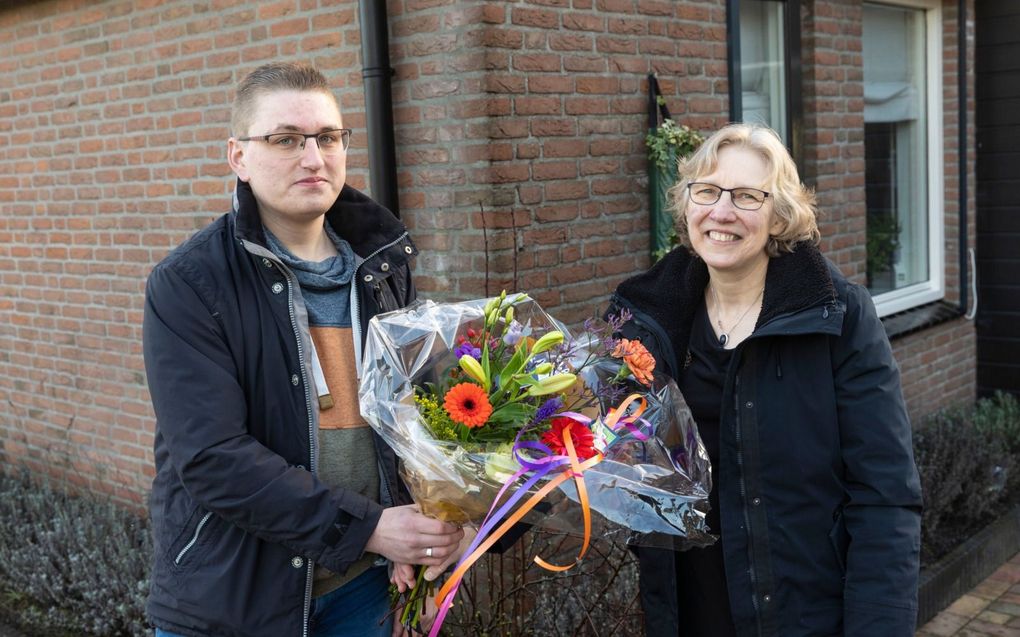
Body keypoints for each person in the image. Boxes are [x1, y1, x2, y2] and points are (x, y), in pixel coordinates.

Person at [142, 62, 465, 637]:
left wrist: (446, 527)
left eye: (328, 137)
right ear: (237, 156)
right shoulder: (191, 283)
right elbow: (212, 459)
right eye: (285, 140)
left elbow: (426, 422)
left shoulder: (382, 270)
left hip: (365, 591)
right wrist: (370, 527)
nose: (313, 157)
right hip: (234, 603)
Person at [609, 123, 922, 636]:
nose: (722, 211)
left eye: (748, 196)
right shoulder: (645, 322)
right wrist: (466, 522)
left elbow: (885, 497)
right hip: (687, 615)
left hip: (806, 618)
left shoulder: (838, 319)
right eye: (707, 191)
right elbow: (575, 448)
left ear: (779, 216)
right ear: (686, 204)